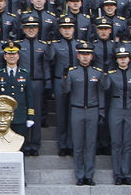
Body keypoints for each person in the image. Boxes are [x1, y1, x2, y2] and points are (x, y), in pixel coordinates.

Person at [63, 43, 105, 186]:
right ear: (78, 56)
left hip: (93, 109)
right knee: (78, 144)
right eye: (82, 54)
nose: (85, 57)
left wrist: (102, 112)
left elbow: (101, 93)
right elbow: (66, 91)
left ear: (92, 56)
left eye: (88, 54)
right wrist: (64, 77)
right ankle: (80, 175)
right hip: (77, 109)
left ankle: (89, 175)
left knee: (91, 144)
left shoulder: (97, 72)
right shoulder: (72, 72)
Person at [102, 47, 131, 185]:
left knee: (128, 144)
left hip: (130, 109)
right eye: (120, 57)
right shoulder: (112, 74)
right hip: (116, 109)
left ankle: (127, 173)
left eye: (125, 57)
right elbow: (105, 88)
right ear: (117, 60)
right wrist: (105, 73)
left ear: (129, 59)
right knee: (116, 143)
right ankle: (117, 174)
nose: (123, 60)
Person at [0, 42, 35, 151]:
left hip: (20, 116)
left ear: (18, 56)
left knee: (19, 147)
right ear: (4, 56)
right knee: (3, 146)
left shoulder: (25, 74)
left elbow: (30, 96)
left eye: (14, 54)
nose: (11, 56)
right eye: (8, 54)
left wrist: (30, 116)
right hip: (3, 118)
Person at [48, 16, 83, 156]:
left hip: (76, 82)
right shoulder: (56, 45)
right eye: (64, 28)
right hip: (60, 81)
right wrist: (50, 45)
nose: (67, 31)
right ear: (60, 30)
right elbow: (49, 62)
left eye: (69, 28)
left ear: (74, 29)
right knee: (61, 114)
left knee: (73, 114)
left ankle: (72, 143)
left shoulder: (79, 45)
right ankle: (63, 144)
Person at [18, 16, 50, 156]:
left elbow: (46, 66)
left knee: (35, 114)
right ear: (24, 29)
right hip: (22, 82)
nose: (31, 30)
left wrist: (47, 82)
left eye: (34, 28)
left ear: (38, 29)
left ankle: (35, 144)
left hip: (38, 82)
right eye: (28, 28)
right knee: (22, 114)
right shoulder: (18, 45)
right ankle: (23, 143)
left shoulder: (43, 46)